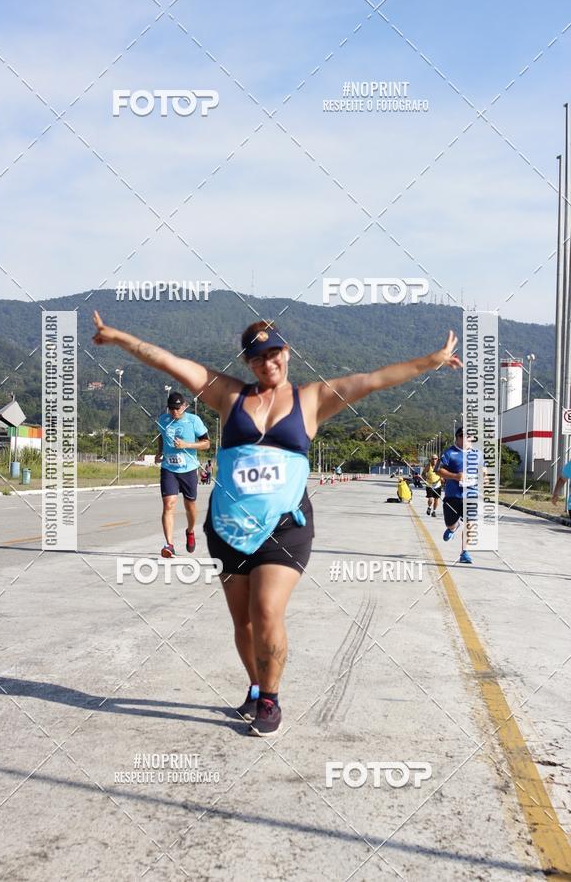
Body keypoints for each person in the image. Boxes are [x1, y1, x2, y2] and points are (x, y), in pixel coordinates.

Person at [92, 309, 461, 736]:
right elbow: (170, 362)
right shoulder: (229, 396)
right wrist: (119, 337)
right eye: (258, 357)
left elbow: (375, 378)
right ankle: (254, 686)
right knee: (243, 622)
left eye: (274, 353)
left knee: (266, 609)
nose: (268, 363)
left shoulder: (312, 398)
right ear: (248, 362)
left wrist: (429, 362)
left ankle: (270, 697)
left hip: (285, 526)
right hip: (229, 528)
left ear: (286, 352)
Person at [155, 391, 210, 558]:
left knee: (190, 506)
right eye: (171, 408)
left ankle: (190, 531)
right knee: (169, 504)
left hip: (188, 469)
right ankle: (169, 545)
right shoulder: (163, 420)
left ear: (185, 406)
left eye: (178, 408)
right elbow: (161, 436)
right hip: (169, 469)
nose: (175, 412)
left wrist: (187, 444)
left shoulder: (194, 421)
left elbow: (206, 443)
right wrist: (159, 452)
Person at [438, 428, 484, 565]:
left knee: (470, 523)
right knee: (450, 523)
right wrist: (455, 476)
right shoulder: (449, 453)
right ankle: (453, 527)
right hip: (453, 495)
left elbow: (483, 469)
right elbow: (439, 470)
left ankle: (465, 552)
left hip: (471, 494)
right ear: (457, 438)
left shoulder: (478, 454)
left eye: (469, 436)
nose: (467, 439)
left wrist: (484, 479)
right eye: (463, 436)